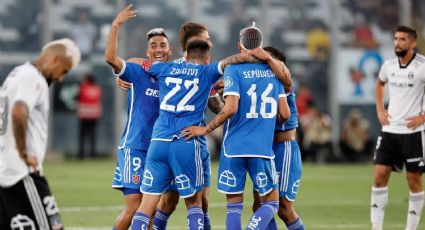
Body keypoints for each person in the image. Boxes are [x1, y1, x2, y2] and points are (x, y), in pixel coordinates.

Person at [114, 17, 223, 230]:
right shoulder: (198, 70)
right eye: (206, 39)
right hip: (188, 141)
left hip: (162, 141)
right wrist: (228, 101)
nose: (210, 42)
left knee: (168, 201)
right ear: (193, 42)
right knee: (195, 201)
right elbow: (217, 107)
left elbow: (136, 62)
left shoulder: (167, 67)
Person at [182, 24, 291, 230]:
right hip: (261, 148)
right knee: (271, 202)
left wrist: (205, 130)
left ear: (239, 45)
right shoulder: (274, 71)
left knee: (234, 206)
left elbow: (230, 108)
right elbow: (285, 115)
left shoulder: (233, 69)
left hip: (233, 148)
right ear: (260, 44)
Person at [0, 38, 81, 229]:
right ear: (55, 60)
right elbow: (19, 112)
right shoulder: (34, 78)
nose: (61, 78)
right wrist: (24, 152)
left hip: (5, 169)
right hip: (21, 173)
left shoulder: (17, 73)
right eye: (64, 70)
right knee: (52, 226)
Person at [105, 5, 173, 230]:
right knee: (135, 208)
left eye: (162, 44)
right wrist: (116, 26)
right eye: (153, 45)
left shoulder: (175, 77)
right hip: (135, 146)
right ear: (148, 52)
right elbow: (111, 58)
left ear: (170, 50)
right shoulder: (138, 72)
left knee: (150, 210)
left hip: (160, 149)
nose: (158, 48)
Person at [372, 25, 425, 230]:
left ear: (412, 43)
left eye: (402, 39)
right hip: (389, 131)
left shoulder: (422, 66)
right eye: (395, 39)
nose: (397, 43)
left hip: (413, 133)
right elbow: (379, 84)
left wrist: (423, 116)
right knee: (379, 177)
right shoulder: (389, 65)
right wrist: (380, 110)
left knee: (413, 181)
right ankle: (376, 227)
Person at [251, 46, 305, 230]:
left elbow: (284, 78)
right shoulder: (257, 85)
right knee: (259, 206)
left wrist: (265, 57)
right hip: (264, 150)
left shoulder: (283, 83)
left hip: (284, 149)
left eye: (265, 62)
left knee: (283, 208)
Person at [77, 73, 102, 159]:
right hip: (94, 115)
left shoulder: (82, 87)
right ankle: (93, 153)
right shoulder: (97, 88)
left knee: (82, 136)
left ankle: (81, 154)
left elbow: (78, 98)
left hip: (84, 115)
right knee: (92, 135)